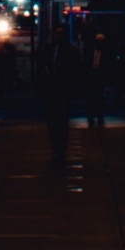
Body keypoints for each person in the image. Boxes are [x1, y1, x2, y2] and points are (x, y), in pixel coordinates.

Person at [43, 18, 73, 167]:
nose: (58, 36)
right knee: (52, 124)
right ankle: (56, 149)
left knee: (61, 123)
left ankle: (60, 151)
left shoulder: (70, 51)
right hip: (51, 92)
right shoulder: (48, 49)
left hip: (62, 92)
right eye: (57, 33)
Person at [86, 29, 109, 128]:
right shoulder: (90, 51)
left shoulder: (105, 53)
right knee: (91, 97)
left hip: (100, 76)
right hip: (92, 75)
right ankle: (91, 117)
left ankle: (99, 116)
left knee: (99, 97)